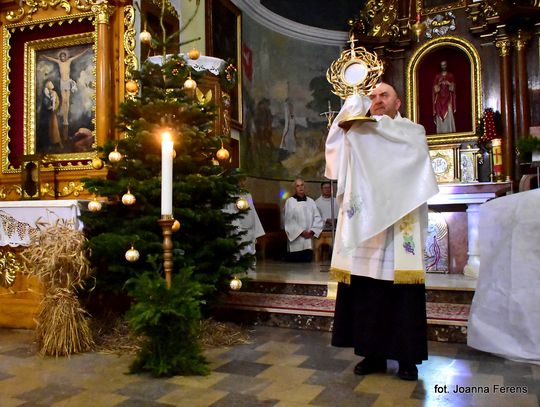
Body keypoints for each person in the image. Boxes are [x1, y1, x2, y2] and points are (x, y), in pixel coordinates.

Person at [326, 83, 439, 381]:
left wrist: (362, 132)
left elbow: (413, 169)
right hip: (366, 227)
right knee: (367, 292)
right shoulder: (362, 131)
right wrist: (350, 110)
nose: (377, 100)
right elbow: (336, 153)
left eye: (384, 95)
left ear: (398, 102)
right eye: (373, 97)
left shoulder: (412, 131)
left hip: (397, 226)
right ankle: (371, 353)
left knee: (401, 293)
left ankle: (406, 359)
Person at [43, 48, 90, 136]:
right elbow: (51, 59)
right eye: (61, 56)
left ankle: (66, 117)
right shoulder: (59, 62)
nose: (63, 58)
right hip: (62, 82)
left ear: (66, 57)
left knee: (67, 100)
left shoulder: (69, 61)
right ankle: (63, 111)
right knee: (63, 99)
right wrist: (45, 56)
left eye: (64, 56)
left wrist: (84, 51)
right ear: (60, 57)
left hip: (68, 81)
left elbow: (77, 56)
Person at [224, 178, 265, 266]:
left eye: (244, 180)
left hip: (248, 223)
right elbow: (228, 210)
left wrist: (254, 226)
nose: (242, 183)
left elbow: (251, 208)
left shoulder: (248, 194)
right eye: (240, 180)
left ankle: (248, 261)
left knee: (250, 238)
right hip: (236, 224)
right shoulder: (229, 194)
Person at [283, 178, 323, 262]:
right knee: (296, 265)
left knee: (307, 261)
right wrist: (301, 232)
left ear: (305, 187)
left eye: (302, 185)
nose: (300, 188)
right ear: (295, 188)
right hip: (296, 240)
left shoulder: (311, 201)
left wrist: (312, 231)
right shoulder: (290, 202)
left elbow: (317, 218)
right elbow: (288, 220)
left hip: (308, 239)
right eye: (298, 186)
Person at [432, 60, 456, 134]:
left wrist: (448, 83)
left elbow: (453, 88)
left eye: (444, 65)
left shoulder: (450, 75)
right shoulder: (437, 76)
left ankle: (450, 131)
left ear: (446, 65)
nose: (443, 66)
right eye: (442, 65)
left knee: (449, 112)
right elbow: (435, 89)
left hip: (448, 98)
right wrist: (439, 84)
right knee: (439, 113)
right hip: (439, 99)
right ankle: (441, 132)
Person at [39, 80, 62, 151]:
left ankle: (57, 141)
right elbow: (45, 103)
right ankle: (49, 143)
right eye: (50, 83)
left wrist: (55, 108)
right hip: (47, 114)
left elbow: (57, 102)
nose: (52, 84)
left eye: (51, 83)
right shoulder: (46, 93)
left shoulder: (54, 93)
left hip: (53, 113)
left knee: (54, 127)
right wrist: (49, 107)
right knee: (48, 127)